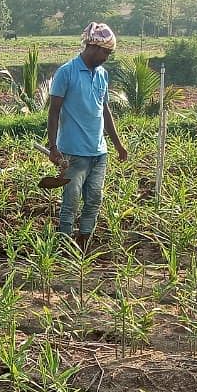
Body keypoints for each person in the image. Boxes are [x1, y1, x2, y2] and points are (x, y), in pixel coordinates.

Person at [46, 22, 129, 251]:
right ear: (93, 46)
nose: (107, 57)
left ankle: (84, 242)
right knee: (70, 202)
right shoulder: (67, 72)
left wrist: (118, 145)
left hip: (98, 152)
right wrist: (53, 147)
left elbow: (104, 110)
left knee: (94, 199)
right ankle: (63, 245)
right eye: (106, 52)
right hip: (73, 153)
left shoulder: (102, 75)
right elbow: (53, 111)